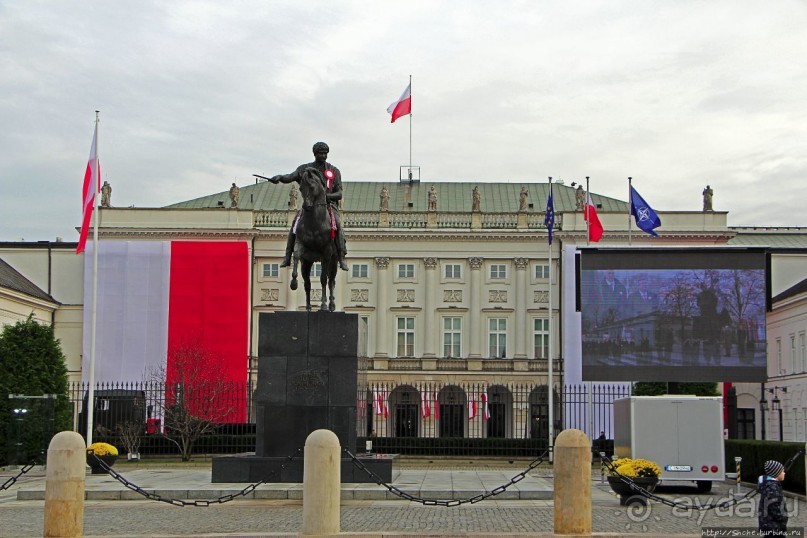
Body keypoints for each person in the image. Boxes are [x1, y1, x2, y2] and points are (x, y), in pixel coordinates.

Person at [268, 142, 348, 271]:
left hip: (329, 205)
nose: (323, 156)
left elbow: (339, 193)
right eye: (320, 153)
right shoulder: (304, 169)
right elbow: (290, 177)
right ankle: (288, 256)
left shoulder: (333, 171)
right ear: (315, 154)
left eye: (325, 153)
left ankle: (341, 256)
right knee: (295, 225)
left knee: (338, 224)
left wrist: (326, 197)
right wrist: (279, 177)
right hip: (309, 206)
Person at [758, 459, 788, 535]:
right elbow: (775, 507)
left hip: (769, 525)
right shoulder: (772, 488)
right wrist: (783, 518)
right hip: (774, 527)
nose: (784, 473)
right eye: (782, 471)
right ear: (777, 473)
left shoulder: (770, 485)